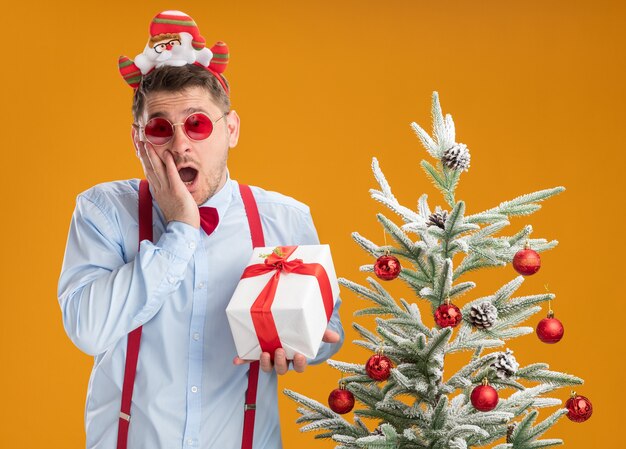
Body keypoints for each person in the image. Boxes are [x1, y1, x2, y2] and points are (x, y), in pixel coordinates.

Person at [57, 10, 344, 449]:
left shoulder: (283, 218)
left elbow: (327, 329)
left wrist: (305, 345)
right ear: (139, 141)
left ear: (230, 130)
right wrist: (181, 231)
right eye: (159, 128)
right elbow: (88, 329)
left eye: (197, 123)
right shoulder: (104, 211)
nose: (180, 143)